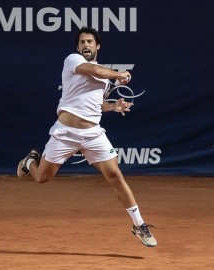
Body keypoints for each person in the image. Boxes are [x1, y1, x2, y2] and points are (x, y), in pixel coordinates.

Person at [17, 26, 157, 247]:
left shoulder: (103, 77)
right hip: (65, 132)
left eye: (90, 42)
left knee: (115, 175)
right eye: (82, 42)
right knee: (42, 178)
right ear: (78, 47)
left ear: (97, 45)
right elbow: (98, 71)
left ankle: (139, 224)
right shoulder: (73, 60)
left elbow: (97, 104)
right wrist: (118, 74)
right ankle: (30, 162)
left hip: (93, 133)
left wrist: (115, 106)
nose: (85, 45)